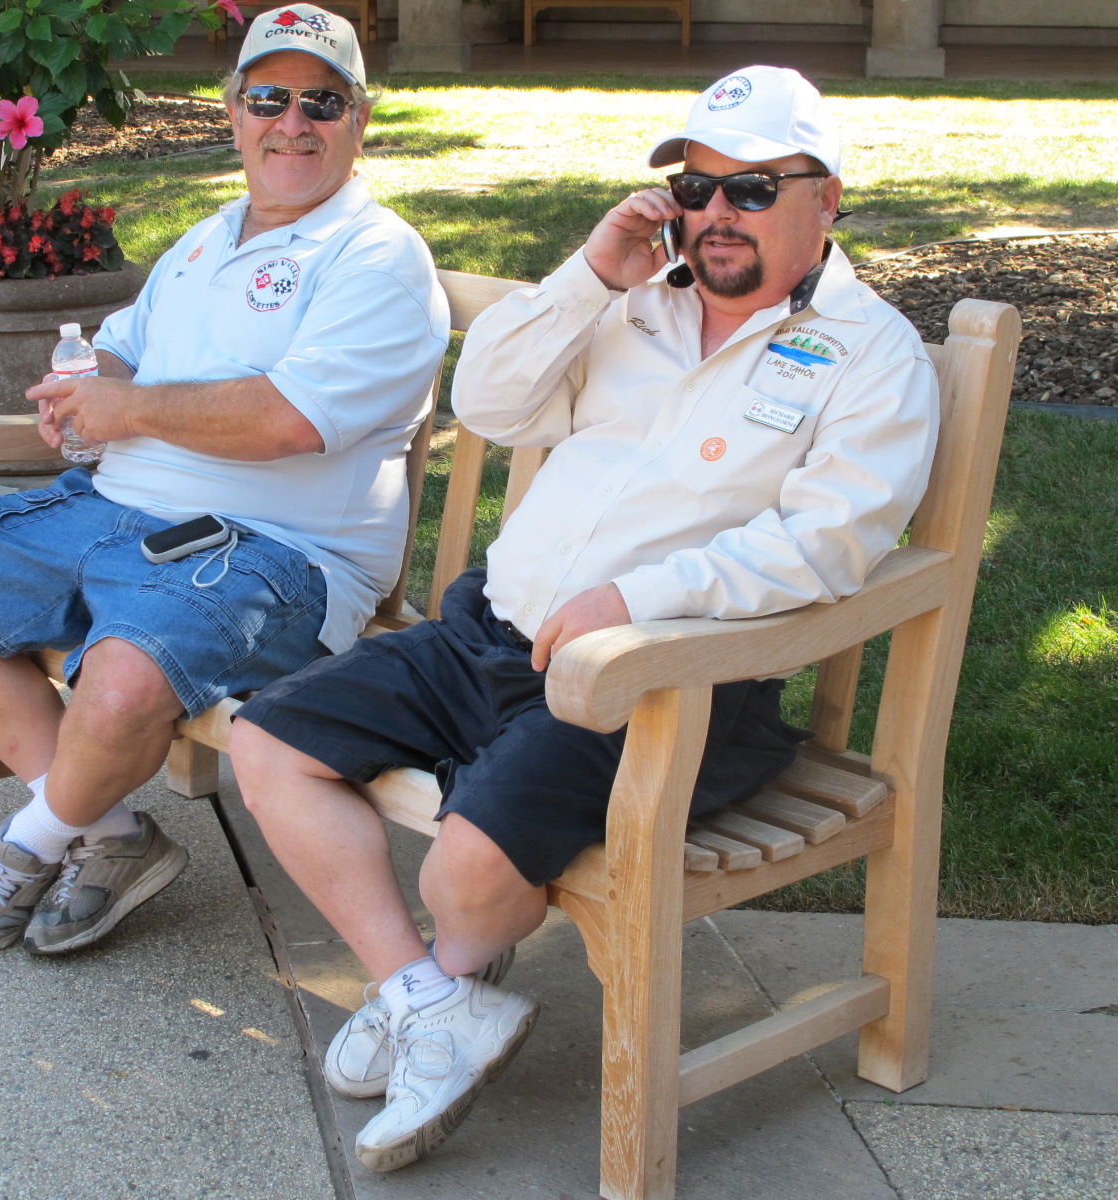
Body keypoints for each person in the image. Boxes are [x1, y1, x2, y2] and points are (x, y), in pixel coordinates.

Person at [228, 65, 940, 1173]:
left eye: (751, 190)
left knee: (459, 876)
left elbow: (825, 547)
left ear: (825, 198)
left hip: (663, 686)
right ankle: (432, 998)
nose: (713, 215)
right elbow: (491, 406)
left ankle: (445, 972)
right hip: (486, 634)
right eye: (693, 189)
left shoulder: (870, 354)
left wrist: (631, 604)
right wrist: (587, 276)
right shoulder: (632, 302)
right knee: (265, 739)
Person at [0, 4, 450, 959]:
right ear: (233, 111)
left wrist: (136, 411)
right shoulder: (205, 239)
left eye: (322, 102)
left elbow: (290, 420)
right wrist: (85, 389)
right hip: (120, 513)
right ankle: (106, 835)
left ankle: (31, 843)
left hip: (274, 554)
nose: (292, 122)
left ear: (358, 122)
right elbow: (120, 357)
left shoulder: (376, 257)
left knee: (123, 676)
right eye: (268, 97)